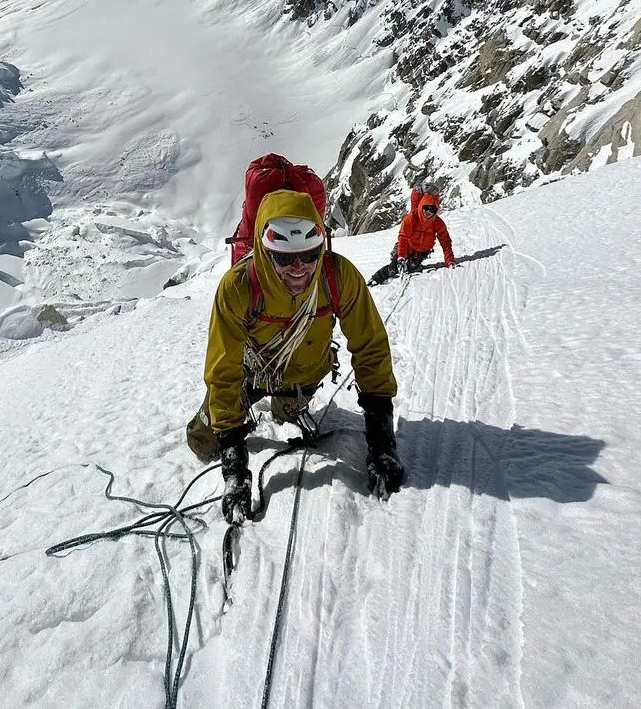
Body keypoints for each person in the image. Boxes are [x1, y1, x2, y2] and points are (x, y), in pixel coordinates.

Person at [186, 187, 404, 523]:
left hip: (304, 374)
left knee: (287, 414)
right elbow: (223, 369)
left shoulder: (338, 276)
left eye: (310, 254)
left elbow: (370, 347)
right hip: (252, 374)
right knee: (202, 441)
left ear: (322, 247)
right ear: (264, 250)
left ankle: (285, 404)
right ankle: (251, 416)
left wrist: (381, 440)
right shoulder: (238, 287)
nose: (299, 268)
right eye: (284, 257)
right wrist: (235, 465)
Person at [391, 185, 455, 276]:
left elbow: (445, 242)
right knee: (394, 267)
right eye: (426, 208)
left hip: (422, 251)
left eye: (432, 210)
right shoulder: (413, 217)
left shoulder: (437, 223)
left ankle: (409, 261)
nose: (429, 212)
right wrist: (401, 255)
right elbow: (403, 237)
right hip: (409, 247)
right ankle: (379, 276)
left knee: (411, 266)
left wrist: (449, 260)